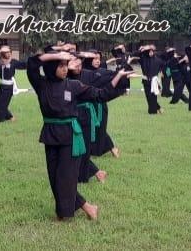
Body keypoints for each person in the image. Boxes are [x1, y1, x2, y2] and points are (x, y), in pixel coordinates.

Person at [27, 50, 133, 221]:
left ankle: (66, 215)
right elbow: (32, 64)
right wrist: (59, 55)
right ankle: (87, 207)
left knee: (65, 178)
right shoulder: (41, 85)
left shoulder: (73, 86)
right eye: (60, 66)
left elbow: (101, 95)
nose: (64, 69)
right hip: (50, 134)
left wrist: (118, 76)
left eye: (65, 66)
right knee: (54, 179)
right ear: (51, 67)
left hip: (71, 136)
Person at [69, 51, 123, 183]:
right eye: (95, 59)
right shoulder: (68, 75)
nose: (98, 61)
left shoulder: (92, 75)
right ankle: (96, 172)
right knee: (77, 148)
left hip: (89, 110)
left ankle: (95, 171)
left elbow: (105, 88)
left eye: (99, 59)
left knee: (83, 146)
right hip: (75, 114)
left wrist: (120, 76)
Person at [0, 45, 27, 122]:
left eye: (9, 52)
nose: (8, 54)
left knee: (3, 105)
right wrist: (0, 50)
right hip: (1, 86)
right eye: (6, 52)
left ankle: (0, 120)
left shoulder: (13, 62)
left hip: (9, 87)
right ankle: (10, 117)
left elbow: (24, 65)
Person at [135, 44, 163, 114]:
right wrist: (143, 48)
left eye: (152, 51)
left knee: (153, 96)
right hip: (146, 80)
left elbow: (164, 65)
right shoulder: (143, 60)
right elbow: (137, 54)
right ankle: (158, 107)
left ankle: (153, 112)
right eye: (149, 51)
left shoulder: (158, 60)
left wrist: (162, 73)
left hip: (154, 81)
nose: (150, 52)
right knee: (148, 97)